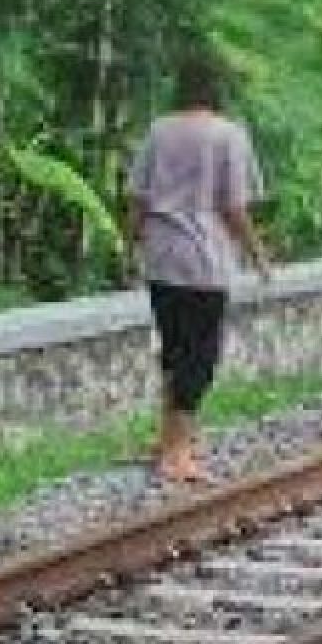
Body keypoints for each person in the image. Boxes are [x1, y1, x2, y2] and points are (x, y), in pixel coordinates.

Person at [127, 53, 270, 483]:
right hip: (205, 262)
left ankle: (168, 438)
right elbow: (234, 207)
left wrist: (130, 244)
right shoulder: (229, 135)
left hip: (162, 257)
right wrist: (258, 252)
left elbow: (137, 197)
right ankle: (178, 453)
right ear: (217, 88)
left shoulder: (158, 131)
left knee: (174, 350)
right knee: (200, 358)